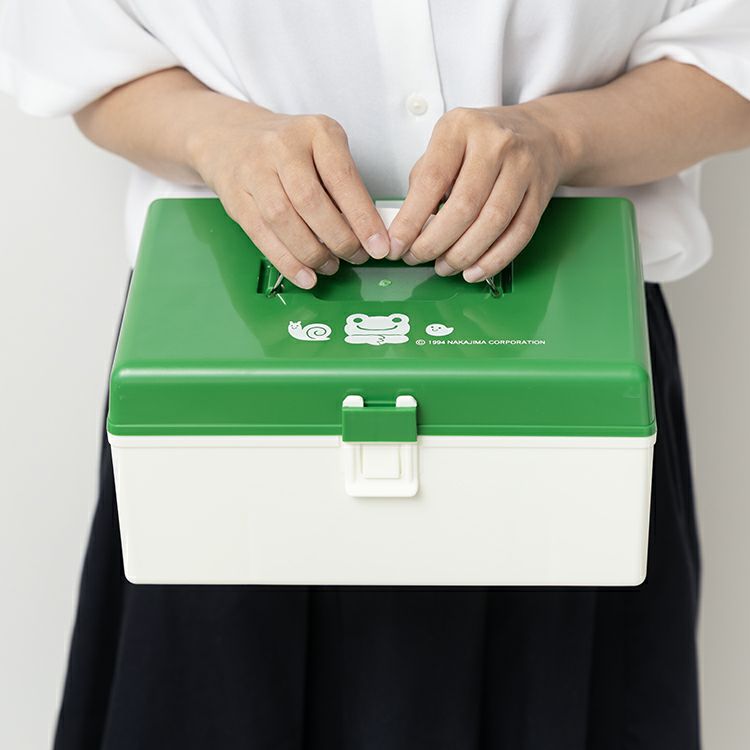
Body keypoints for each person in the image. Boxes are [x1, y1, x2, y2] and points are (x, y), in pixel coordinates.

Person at [2, 1, 750, 748]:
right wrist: (216, 137)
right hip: (222, 403)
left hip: (571, 398)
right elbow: (82, 51)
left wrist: (560, 135)